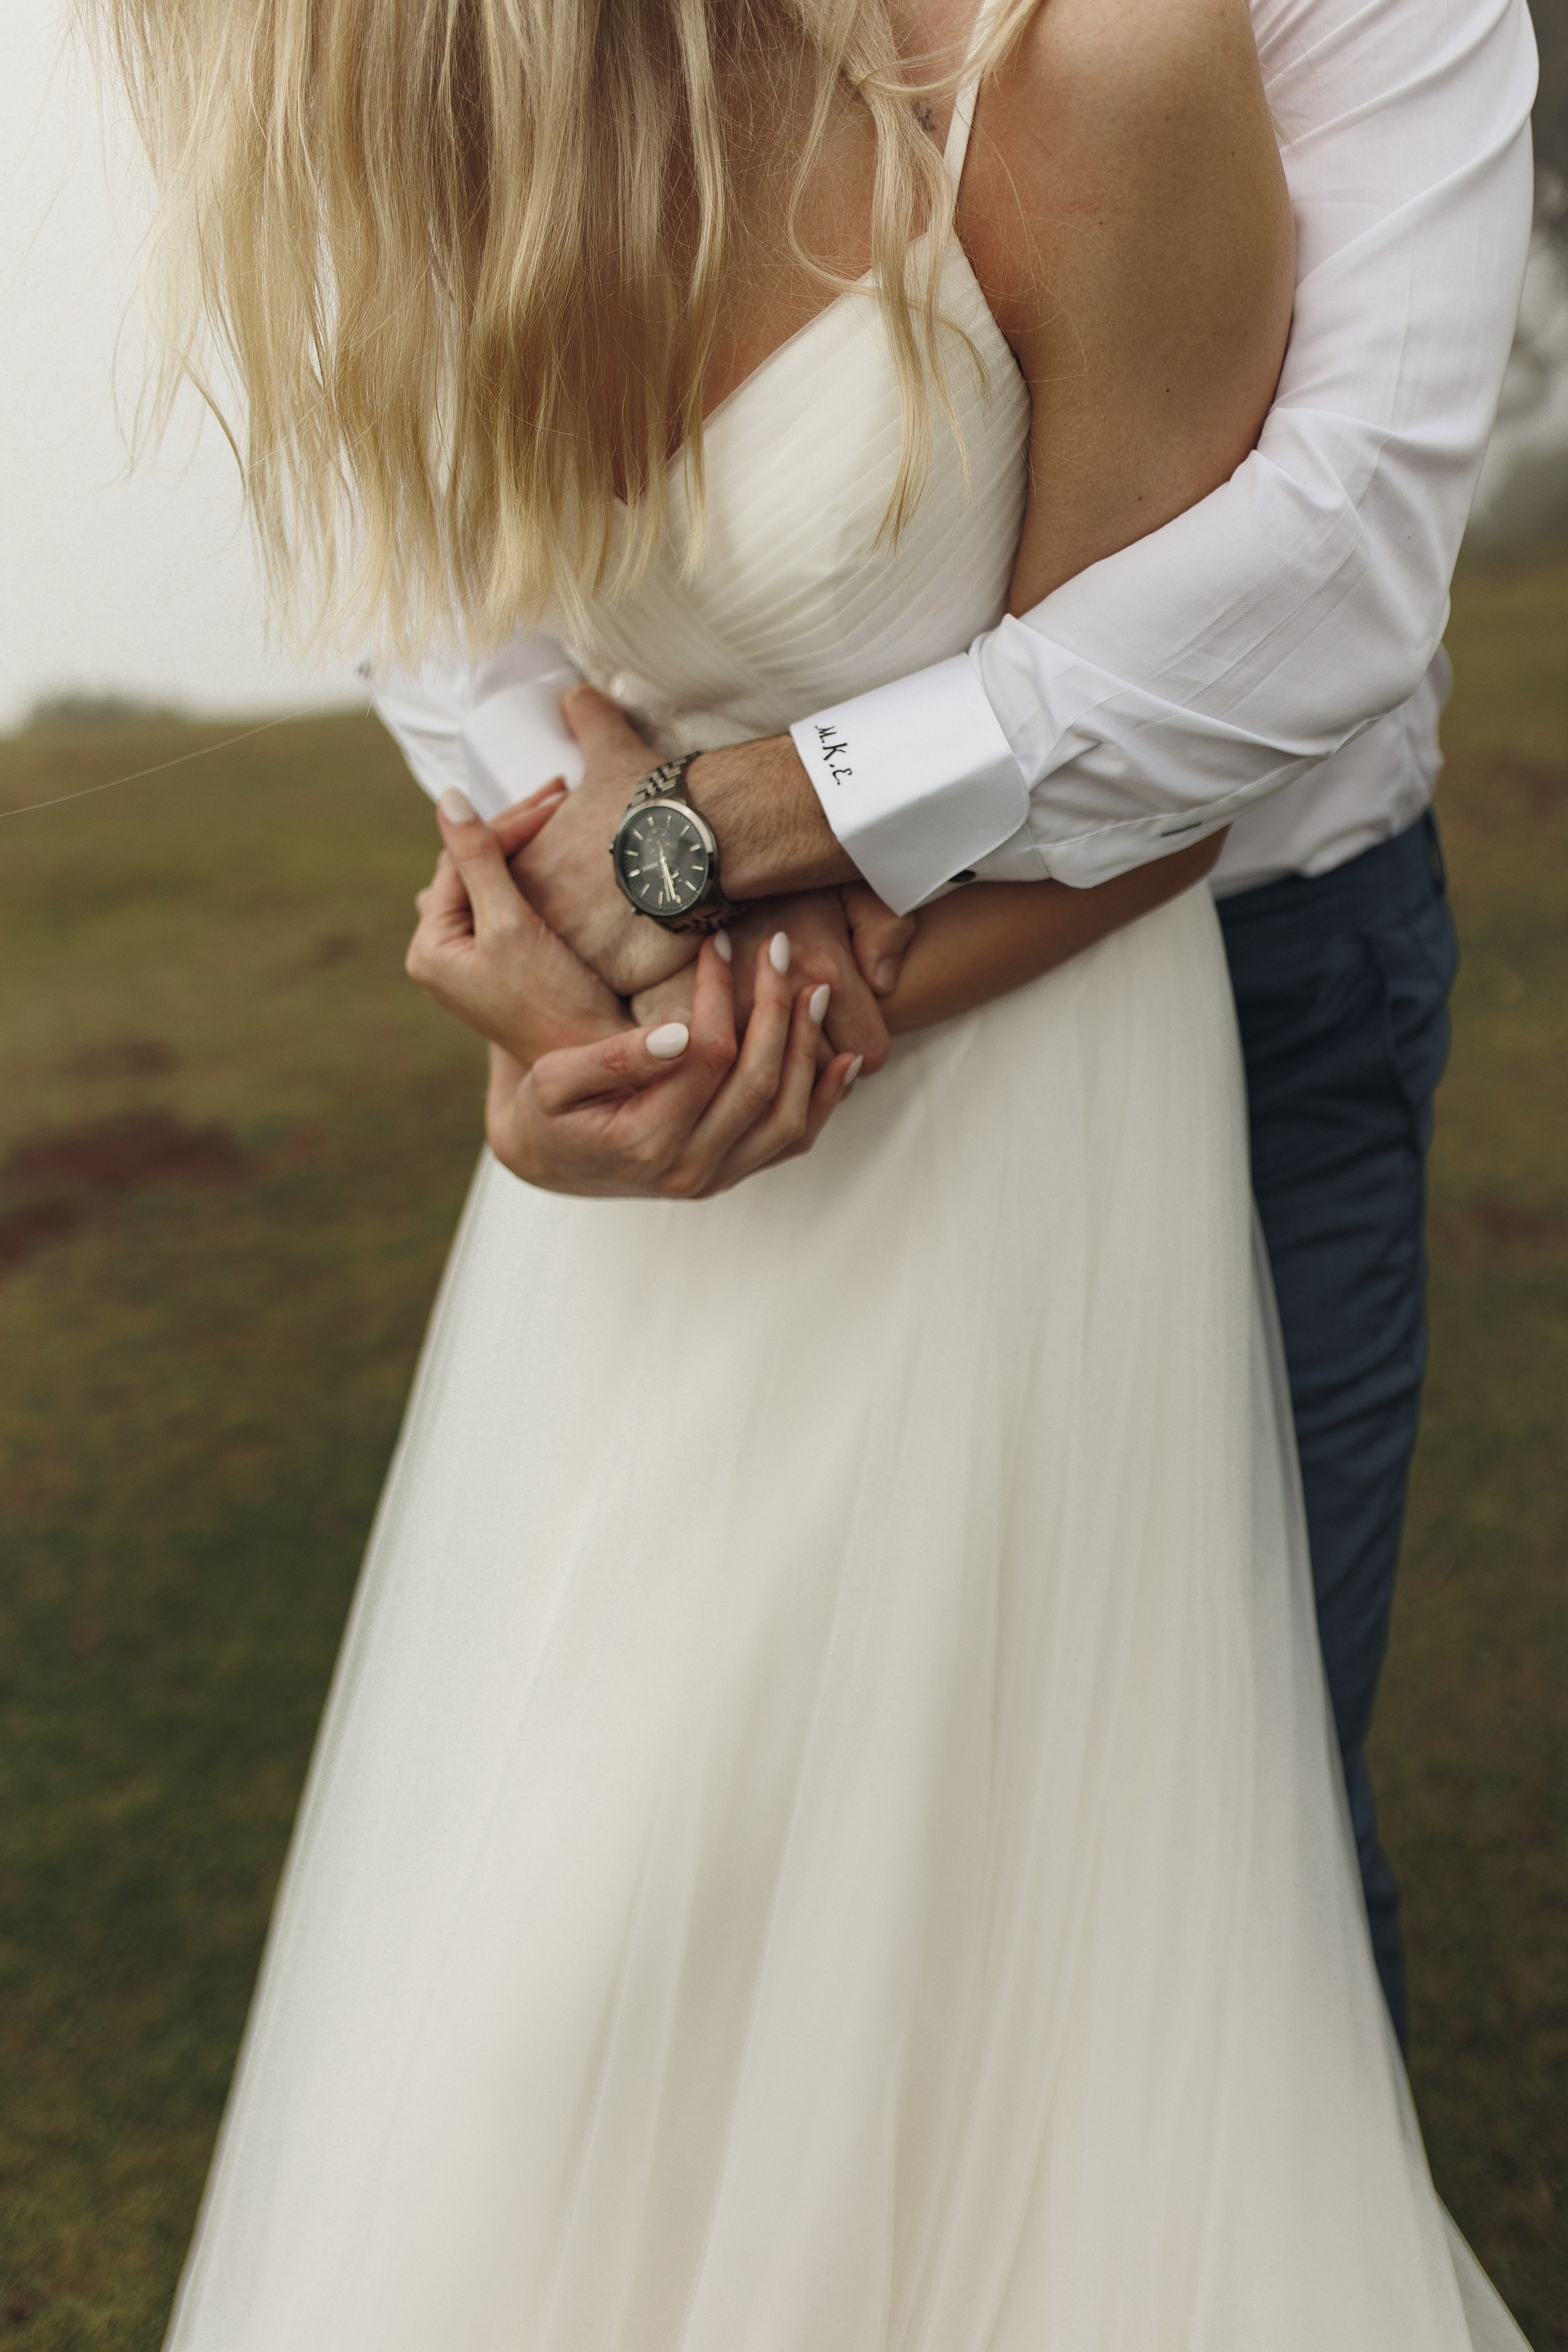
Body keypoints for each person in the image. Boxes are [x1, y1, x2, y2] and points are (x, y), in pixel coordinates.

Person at [101, 0, 1534, 2342]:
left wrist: (722, 857)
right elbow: (430, 568)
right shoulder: (515, 67)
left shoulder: (1119, 65)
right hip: (693, 1163)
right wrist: (596, 973)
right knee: (574, 1966)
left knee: (1176, 1888)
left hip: (1185, 999)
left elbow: (1326, 584)